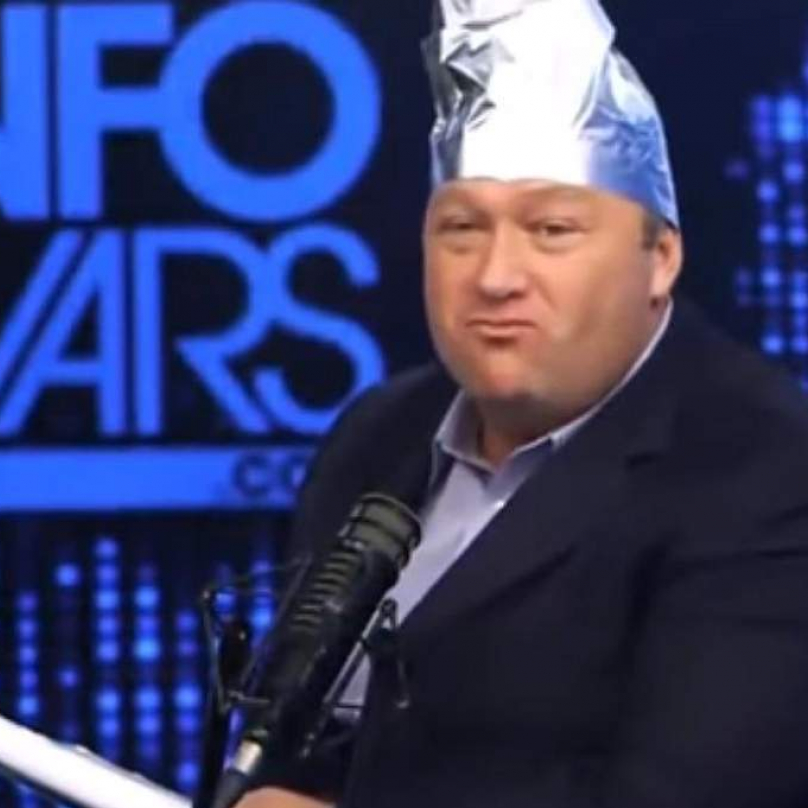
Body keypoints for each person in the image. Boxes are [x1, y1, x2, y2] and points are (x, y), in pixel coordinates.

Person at [238, 1, 808, 806]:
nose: (496, 276)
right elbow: (291, 746)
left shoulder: (766, 468)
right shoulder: (377, 436)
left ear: (660, 258)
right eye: (462, 229)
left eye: (552, 230)